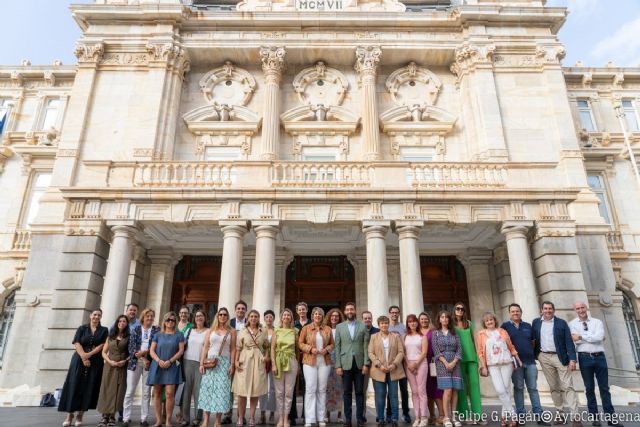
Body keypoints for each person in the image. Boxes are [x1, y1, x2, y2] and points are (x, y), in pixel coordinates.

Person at [569, 302, 623, 427]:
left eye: (582, 307)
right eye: (578, 308)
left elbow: (599, 337)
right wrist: (591, 337)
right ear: (575, 310)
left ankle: (611, 418)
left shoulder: (597, 322)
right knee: (589, 389)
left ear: (586, 308)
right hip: (584, 358)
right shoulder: (571, 324)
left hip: (600, 358)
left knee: (604, 388)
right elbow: (574, 339)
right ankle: (595, 418)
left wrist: (581, 337)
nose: (581, 310)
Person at [532, 301, 580, 427]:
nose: (548, 311)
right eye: (545, 308)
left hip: (560, 357)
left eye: (550, 309)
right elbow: (533, 339)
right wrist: (536, 355)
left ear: (554, 310)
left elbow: (569, 342)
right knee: (553, 387)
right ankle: (561, 414)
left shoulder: (561, 323)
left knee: (568, 386)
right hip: (544, 357)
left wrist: (572, 359)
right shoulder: (536, 323)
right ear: (541, 310)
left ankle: (575, 417)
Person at [59, 308, 109, 427]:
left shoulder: (104, 330)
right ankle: (69, 415)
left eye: (99, 315)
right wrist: (83, 357)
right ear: (90, 316)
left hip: (95, 360)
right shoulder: (82, 328)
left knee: (88, 386)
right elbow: (77, 343)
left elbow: (102, 345)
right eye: (95, 315)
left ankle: (80, 415)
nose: (96, 317)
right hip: (78, 359)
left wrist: (89, 355)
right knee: (74, 385)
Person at [501, 304, 546, 426]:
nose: (515, 313)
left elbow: (533, 343)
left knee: (533, 389)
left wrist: (530, 354)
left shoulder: (528, 326)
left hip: (530, 362)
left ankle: (539, 416)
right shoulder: (505, 327)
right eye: (513, 311)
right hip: (515, 364)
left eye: (517, 311)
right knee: (519, 388)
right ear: (509, 313)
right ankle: (521, 415)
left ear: (521, 312)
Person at [476, 313, 519, 427]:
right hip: (492, 365)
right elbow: (480, 352)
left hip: (506, 363)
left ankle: (504, 418)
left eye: (491, 320)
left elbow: (510, 346)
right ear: (484, 323)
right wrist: (484, 366)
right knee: (500, 390)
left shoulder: (502, 331)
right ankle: (513, 415)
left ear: (495, 320)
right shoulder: (481, 334)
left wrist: (517, 358)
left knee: (505, 389)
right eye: (487, 321)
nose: (489, 322)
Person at [199, 307, 237, 427]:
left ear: (227, 317)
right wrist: (201, 363)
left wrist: (232, 364)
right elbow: (205, 347)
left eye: (225, 315)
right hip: (210, 362)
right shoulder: (210, 330)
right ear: (217, 316)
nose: (222, 317)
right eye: (220, 314)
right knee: (207, 390)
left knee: (222, 391)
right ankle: (205, 420)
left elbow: (233, 349)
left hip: (224, 362)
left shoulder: (232, 331)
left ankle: (218, 420)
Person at [147, 311, 186, 427]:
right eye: (168, 320)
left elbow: (181, 351)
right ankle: (159, 420)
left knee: (170, 394)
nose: (170, 322)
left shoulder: (179, 335)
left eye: (173, 320)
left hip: (172, 366)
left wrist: (170, 361)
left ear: (175, 322)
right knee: (157, 393)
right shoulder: (158, 335)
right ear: (164, 321)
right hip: (158, 365)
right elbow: (151, 350)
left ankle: (168, 420)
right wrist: (159, 361)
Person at [334, 302, 370, 427]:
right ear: (344, 312)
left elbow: (366, 346)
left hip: (360, 364)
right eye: (347, 309)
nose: (350, 311)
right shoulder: (340, 327)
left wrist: (366, 363)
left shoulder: (363, 326)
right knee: (347, 392)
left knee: (360, 392)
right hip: (345, 364)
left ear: (355, 311)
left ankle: (360, 419)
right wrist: (338, 365)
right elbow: (337, 347)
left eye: (352, 309)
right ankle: (347, 419)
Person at [299, 307, 334, 427]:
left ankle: (321, 418)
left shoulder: (327, 329)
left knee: (322, 390)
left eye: (320, 314)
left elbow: (332, 344)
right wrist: (310, 349)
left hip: (324, 362)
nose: (318, 316)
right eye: (315, 314)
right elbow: (300, 343)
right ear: (312, 315)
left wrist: (327, 349)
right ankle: (309, 419)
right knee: (310, 389)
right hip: (309, 361)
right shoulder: (306, 328)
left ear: (322, 316)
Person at [124, 308, 159, 427]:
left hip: (150, 363)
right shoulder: (136, 329)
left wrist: (145, 353)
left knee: (146, 392)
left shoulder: (156, 330)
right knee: (129, 391)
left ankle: (144, 419)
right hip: (135, 363)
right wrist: (143, 357)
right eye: (147, 316)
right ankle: (126, 418)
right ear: (143, 317)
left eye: (151, 316)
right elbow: (131, 347)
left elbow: (157, 346)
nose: (149, 318)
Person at [234, 309, 270, 427]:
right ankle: (240, 417)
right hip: (245, 360)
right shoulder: (243, 331)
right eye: (252, 316)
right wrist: (236, 361)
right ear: (248, 318)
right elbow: (238, 348)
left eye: (256, 316)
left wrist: (265, 357)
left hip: (258, 361)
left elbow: (266, 346)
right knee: (241, 391)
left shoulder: (263, 331)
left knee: (256, 390)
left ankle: (252, 417)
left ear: (258, 318)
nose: (253, 318)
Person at [369, 315, 406, 427]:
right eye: (382, 323)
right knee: (380, 395)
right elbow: (370, 353)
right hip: (379, 370)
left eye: (386, 323)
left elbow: (401, 352)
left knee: (393, 395)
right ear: (379, 325)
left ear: (388, 324)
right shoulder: (373, 337)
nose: (384, 325)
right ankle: (381, 419)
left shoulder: (395, 336)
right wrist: (379, 365)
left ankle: (394, 419)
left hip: (393, 370)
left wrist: (394, 364)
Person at [452, 302, 483, 425]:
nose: (460, 311)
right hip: (458, 359)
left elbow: (474, 341)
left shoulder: (468, 323)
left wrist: (479, 358)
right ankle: (465, 415)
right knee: (461, 388)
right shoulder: (451, 325)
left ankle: (478, 415)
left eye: (462, 309)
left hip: (472, 359)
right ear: (454, 310)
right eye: (457, 309)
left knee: (475, 385)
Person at [97, 315, 131, 427]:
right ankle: (104, 416)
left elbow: (132, 353)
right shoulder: (110, 336)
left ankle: (112, 416)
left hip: (121, 366)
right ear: (117, 323)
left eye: (124, 321)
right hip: (109, 366)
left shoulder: (129, 336)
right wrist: (109, 361)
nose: (122, 323)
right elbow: (103, 352)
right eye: (120, 321)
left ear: (126, 323)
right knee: (106, 389)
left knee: (118, 390)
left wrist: (125, 361)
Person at [432, 311, 463, 427]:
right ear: (439, 319)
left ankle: (454, 416)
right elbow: (436, 351)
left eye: (446, 317)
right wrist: (446, 363)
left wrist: (454, 362)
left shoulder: (455, 333)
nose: (444, 319)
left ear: (449, 320)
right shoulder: (435, 333)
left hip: (455, 362)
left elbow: (459, 349)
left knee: (455, 390)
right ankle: (446, 417)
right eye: (442, 317)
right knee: (448, 390)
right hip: (442, 363)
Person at [272, 308, 299, 427]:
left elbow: (297, 350)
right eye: (284, 315)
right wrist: (273, 364)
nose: (286, 317)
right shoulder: (276, 331)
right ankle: (280, 418)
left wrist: (297, 365)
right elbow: (272, 348)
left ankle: (286, 418)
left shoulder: (295, 331)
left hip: (291, 360)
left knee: (289, 392)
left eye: (289, 315)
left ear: (291, 318)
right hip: (278, 360)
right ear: (281, 317)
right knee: (279, 392)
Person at [182, 309, 208, 426]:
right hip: (187, 362)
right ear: (194, 318)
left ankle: (198, 418)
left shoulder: (208, 331)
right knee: (186, 390)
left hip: (200, 363)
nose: (199, 318)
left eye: (201, 316)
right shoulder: (189, 330)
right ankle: (185, 418)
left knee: (199, 391)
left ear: (205, 318)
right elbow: (181, 345)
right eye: (197, 316)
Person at [419, 312, 444, 426]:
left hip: (434, 363)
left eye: (425, 319)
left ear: (428, 320)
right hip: (422, 364)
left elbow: (439, 347)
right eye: (421, 319)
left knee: (437, 390)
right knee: (427, 391)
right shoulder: (417, 332)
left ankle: (442, 415)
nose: (423, 321)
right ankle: (432, 415)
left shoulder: (434, 331)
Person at [404, 314, 429, 427]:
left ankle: (424, 417)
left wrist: (416, 364)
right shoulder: (405, 337)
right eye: (410, 322)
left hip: (421, 364)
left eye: (414, 321)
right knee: (414, 392)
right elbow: (403, 353)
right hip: (408, 365)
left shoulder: (422, 336)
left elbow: (424, 353)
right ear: (407, 324)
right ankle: (417, 417)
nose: (412, 323)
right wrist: (409, 365)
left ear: (417, 323)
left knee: (421, 391)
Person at [388, 306, 411, 424]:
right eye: (392, 312)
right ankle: (389, 413)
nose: (394, 314)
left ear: (399, 313)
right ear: (389, 313)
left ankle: (406, 412)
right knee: (391, 389)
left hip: (402, 361)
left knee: (404, 389)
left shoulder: (403, 327)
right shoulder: (386, 326)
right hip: (390, 362)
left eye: (396, 312)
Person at [227, 300, 248, 425]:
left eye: (243, 308)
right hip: (229, 358)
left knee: (242, 389)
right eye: (238, 308)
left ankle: (241, 415)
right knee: (228, 387)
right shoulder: (229, 323)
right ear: (235, 310)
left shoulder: (250, 323)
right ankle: (227, 414)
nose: (240, 310)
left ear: (245, 310)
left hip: (244, 360)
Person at [324, 308, 344, 424]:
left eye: (336, 316)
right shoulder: (326, 330)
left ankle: (340, 414)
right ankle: (327, 414)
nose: (334, 318)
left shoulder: (342, 329)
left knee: (339, 388)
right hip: (327, 361)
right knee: (327, 389)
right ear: (329, 317)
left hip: (340, 362)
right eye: (332, 316)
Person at [292, 302, 311, 426]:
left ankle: (306, 415)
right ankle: (292, 415)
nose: (302, 311)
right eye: (300, 309)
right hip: (294, 357)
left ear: (307, 310)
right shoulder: (293, 325)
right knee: (292, 387)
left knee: (307, 387)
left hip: (308, 357)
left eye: (304, 309)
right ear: (297, 311)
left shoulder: (311, 324)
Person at [260, 310, 277, 425]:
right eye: (267, 317)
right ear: (264, 319)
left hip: (274, 361)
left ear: (273, 319)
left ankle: (271, 413)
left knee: (273, 388)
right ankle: (262, 413)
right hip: (262, 362)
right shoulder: (260, 331)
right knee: (262, 388)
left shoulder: (277, 331)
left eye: (271, 317)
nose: (269, 319)